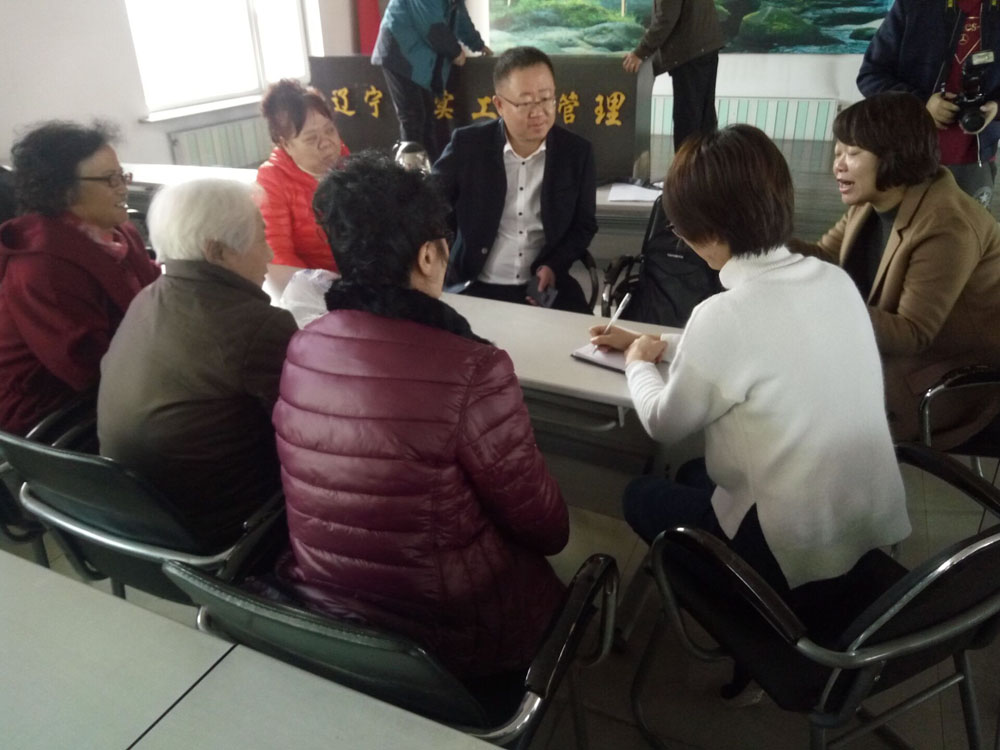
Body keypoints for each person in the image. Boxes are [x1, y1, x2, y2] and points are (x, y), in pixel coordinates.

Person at [591, 125, 910, 629]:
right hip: (859, 521)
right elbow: (762, 346)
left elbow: (663, 422)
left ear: (708, 232)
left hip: (788, 557)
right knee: (693, 475)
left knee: (640, 493)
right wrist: (654, 343)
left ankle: (746, 611)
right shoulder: (833, 280)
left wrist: (637, 362)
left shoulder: (725, 314)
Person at [272, 152, 569, 681]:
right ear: (430, 256)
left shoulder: (305, 344)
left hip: (329, 614)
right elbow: (545, 526)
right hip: (447, 640)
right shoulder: (474, 369)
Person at [793, 92, 1000, 448]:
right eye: (837, 152)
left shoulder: (947, 225)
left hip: (943, 376)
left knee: (800, 408)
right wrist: (762, 239)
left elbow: (912, 334)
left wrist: (821, 304)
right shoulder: (875, 198)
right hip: (891, 356)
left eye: (852, 153)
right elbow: (824, 255)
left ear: (894, 155)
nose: (837, 165)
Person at [98, 179, 297, 547]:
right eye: (260, 239)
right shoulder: (258, 326)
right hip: (226, 529)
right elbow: (306, 431)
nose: (269, 253)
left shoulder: (147, 298)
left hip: (133, 520)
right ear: (217, 251)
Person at [0, 121, 159, 436]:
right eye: (109, 179)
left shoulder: (119, 232)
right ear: (63, 190)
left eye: (122, 175)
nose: (123, 187)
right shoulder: (41, 267)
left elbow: (157, 297)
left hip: (126, 377)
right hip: (54, 414)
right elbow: (86, 370)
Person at [434, 46, 597, 314]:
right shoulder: (468, 145)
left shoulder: (576, 153)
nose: (539, 112)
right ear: (499, 105)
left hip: (542, 285)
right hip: (473, 284)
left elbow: (584, 225)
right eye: (526, 103)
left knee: (579, 336)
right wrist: (440, 253)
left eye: (546, 99)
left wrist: (554, 265)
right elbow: (429, 203)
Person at [857, 0, 1000, 205]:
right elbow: (870, 76)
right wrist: (921, 104)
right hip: (905, 155)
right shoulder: (913, 6)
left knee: (968, 226)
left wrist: (996, 107)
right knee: (902, 225)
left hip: (975, 159)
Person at [372, 0, 490, 161]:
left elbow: (461, 19)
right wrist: (455, 52)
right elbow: (431, 26)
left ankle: (431, 168)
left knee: (428, 119)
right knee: (412, 117)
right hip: (399, 54)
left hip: (420, 61)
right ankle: (412, 170)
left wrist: (478, 45)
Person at [257, 79, 349, 273]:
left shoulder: (343, 157)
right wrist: (327, 283)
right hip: (313, 283)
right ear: (286, 145)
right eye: (311, 139)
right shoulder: (272, 180)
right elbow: (278, 255)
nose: (327, 143)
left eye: (330, 130)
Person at [622, 0, 724, 152]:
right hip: (706, 48)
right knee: (705, 118)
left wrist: (640, 53)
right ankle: (707, 164)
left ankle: (687, 165)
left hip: (690, 54)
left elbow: (666, 19)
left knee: (688, 120)